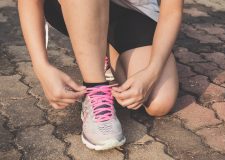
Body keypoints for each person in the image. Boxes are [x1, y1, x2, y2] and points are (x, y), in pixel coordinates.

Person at [18, 0, 182, 150]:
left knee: (158, 102)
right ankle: (95, 87)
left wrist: (151, 72)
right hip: (77, 6)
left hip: (133, 13)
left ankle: (104, 49)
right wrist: (41, 67)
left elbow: (172, 11)